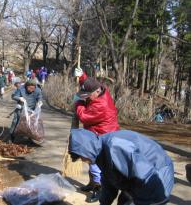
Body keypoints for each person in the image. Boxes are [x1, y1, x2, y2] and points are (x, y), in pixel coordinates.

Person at [69, 128, 174, 205]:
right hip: (137, 180)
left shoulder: (115, 147)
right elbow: (109, 181)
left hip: (157, 176)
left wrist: (140, 202)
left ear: (86, 148)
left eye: (81, 156)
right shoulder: (99, 151)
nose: (82, 160)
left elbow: (146, 175)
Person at [73, 68, 119, 201]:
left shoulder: (101, 105)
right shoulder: (99, 89)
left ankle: (99, 188)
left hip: (103, 135)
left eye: (87, 95)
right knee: (92, 160)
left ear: (97, 92)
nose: (86, 97)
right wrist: (82, 76)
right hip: (95, 132)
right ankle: (92, 183)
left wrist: (78, 103)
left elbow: (84, 117)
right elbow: (89, 83)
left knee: (95, 162)